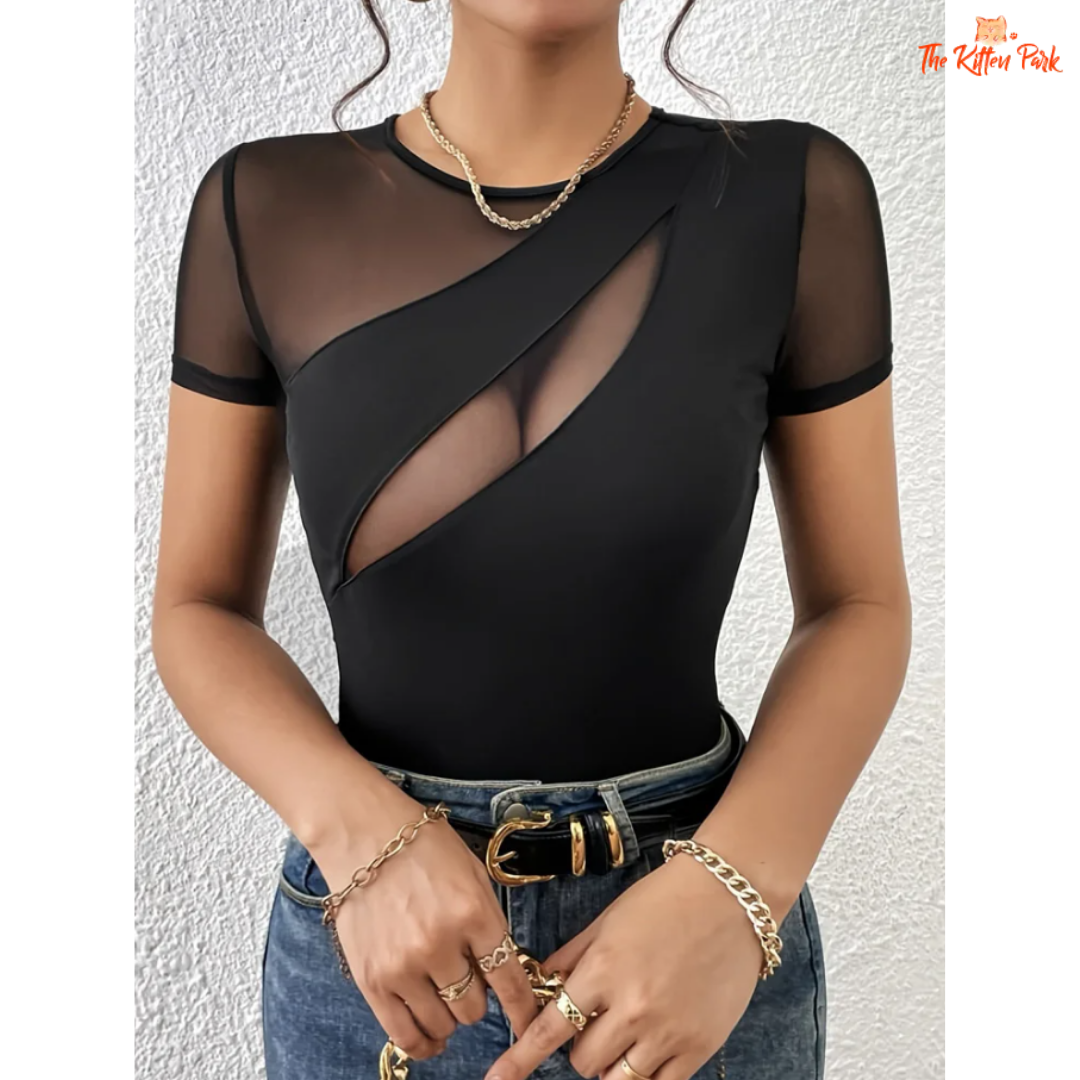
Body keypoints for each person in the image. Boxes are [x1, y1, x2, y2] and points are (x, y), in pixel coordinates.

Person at [151, 1, 912, 1078]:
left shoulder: (793, 196)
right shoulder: (261, 204)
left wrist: (740, 884)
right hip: (389, 946)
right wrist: (364, 836)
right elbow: (197, 608)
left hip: (692, 932)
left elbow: (859, 604)